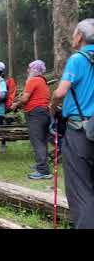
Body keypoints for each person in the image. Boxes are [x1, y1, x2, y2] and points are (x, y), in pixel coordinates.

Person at [50, 18, 94, 229]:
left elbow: (60, 92)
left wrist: (52, 106)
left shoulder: (78, 59)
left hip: (80, 132)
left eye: (75, 33)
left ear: (80, 37)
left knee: (80, 188)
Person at [11, 60, 51, 180]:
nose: (27, 70)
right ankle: (42, 165)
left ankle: (43, 171)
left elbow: (25, 99)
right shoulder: (43, 82)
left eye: (29, 68)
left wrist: (15, 105)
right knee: (42, 140)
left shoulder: (33, 80)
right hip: (44, 113)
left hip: (35, 114)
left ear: (34, 70)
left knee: (37, 141)